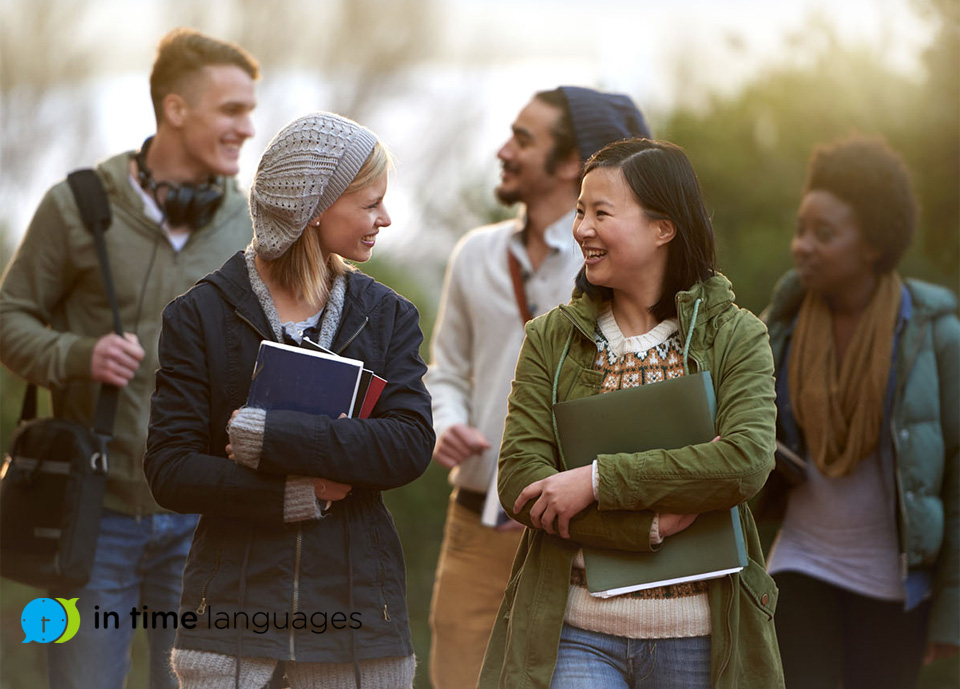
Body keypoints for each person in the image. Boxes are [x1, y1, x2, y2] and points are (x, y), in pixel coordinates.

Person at [0, 27, 258, 689]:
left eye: (250, 112)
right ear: (176, 108)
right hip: (95, 521)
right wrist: (77, 354)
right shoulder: (78, 206)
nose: (247, 128)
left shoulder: (250, 224)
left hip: (206, 518)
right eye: (232, 110)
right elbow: (8, 318)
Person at [477, 138, 784, 689]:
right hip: (574, 631)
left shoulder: (737, 335)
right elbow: (522, 480)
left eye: (601, 213)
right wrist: (646, 526)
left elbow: (744, 463)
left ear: (663, 228)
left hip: (699, 639)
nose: (581, 230)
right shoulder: (550, 339)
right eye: (579, 212)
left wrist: (595, 481)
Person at [143, 111, 434, 689]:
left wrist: (272, 436)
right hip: (231, 619)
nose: (386, 218)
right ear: (316, 208)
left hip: (354, 624)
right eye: (370, 203)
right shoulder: (198, 317)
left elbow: (408, 446)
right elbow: (170, 470)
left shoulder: (388, 316)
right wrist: (292, 494)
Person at [425, 86, 652, 689]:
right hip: (474, 527)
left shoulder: (613, 268)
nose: (504, 150)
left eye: (524, 140)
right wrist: (444, 422)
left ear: (574, 161)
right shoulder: (475, 254)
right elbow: (444, 370)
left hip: (575, 537)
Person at [756, 135, 959, 688]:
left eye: (825, 234)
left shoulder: (934, 337)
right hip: (801, 562)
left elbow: (957, 481)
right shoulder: (784, 323)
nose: (803, 246)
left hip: (894, 587)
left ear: (871, 243)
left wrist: (951, 612)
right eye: (801, 230)